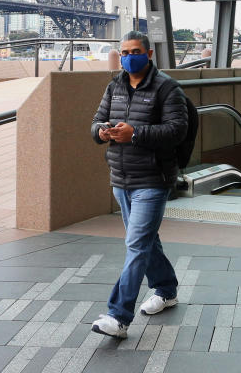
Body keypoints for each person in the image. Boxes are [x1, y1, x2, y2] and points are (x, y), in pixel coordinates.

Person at [89, 31, 189, 338]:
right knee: (145, 242)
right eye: (124, 52)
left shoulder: (167, 88)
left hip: (152, 179)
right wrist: (101, 132)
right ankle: (167, 289)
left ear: (148, 55)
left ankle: (118, 316)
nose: (128, 57)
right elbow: (96, 121)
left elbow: (177, 130)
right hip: (121, 177)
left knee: (135, 245)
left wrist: (135, 134)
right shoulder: (115, 85)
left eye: (134, 51)